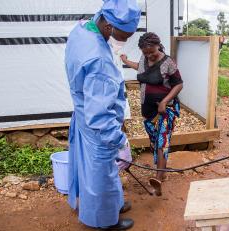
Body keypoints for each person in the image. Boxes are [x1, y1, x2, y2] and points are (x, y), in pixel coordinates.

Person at [64, 0, 141, 230]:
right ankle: (105, 222)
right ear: (108, 25)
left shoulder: (82, 30)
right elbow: (100, 115)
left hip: (84, 114)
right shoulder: (99, 62)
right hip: (98, 127)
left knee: (98, 170)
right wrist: (119, 140)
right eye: (124, 35)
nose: (125, 40)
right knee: (101, 175)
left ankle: (112, 205)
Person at [120, 32, 183, 196]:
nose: (149, 55)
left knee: (162, 142)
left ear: (158, 46)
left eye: (152, 52)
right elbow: (140, 68)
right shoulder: (144, 59)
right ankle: (162, 169)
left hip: (165, 110)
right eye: (145, 52)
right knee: (155, 142)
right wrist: (126, 61)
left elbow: (179, 85)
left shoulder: (168, 62)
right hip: (148, 111)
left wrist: (164, 101)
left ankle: (158, 180)